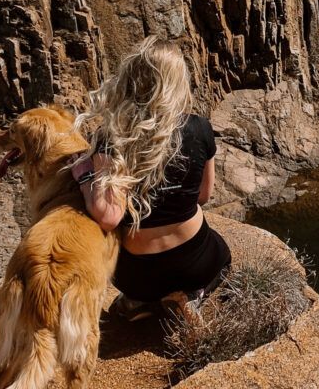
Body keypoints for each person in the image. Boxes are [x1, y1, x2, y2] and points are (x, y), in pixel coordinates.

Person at [69, 38, 230, 321]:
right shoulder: (200, 128)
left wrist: (85, 177)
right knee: (224, 260)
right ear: (177, 82)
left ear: (129, 82)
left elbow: (107, 218)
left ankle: (139, 301)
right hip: (197, 263)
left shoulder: (110, 138)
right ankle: (191, 296)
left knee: (133, 275)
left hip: (136, 276)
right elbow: (203, 197)